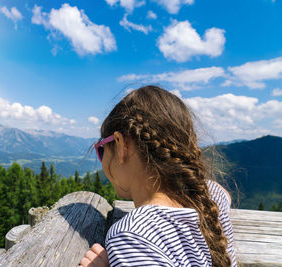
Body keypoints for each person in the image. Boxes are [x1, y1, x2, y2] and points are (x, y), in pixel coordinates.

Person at [79, 86, 237, 267]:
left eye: (101, 150)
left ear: (120, 145)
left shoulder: (131, 237)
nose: (102, 159)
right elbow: (224, 194)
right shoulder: (210, 197)